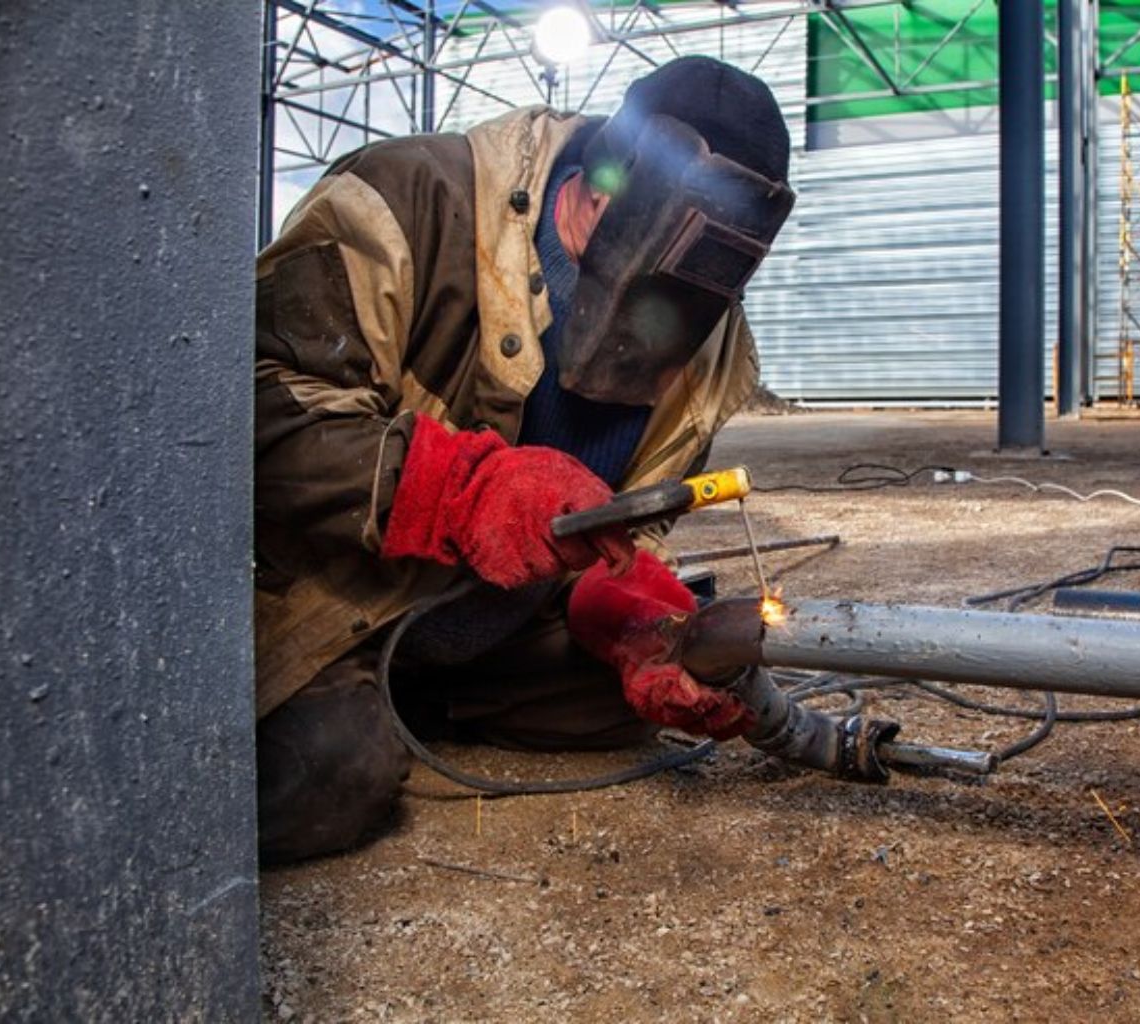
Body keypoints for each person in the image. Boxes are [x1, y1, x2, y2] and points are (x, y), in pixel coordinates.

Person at [253, 56, 794, 863]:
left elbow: (626, 536)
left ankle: (417, 700)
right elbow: (252, 407)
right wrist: (457, 489)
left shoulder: (711, 345)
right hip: (330, 599)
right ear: (609, 180)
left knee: (653, 691)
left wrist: (630, 616)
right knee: (329, 771)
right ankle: (367, 702)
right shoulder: (406, 200)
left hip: (494, 624)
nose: (681, 303)